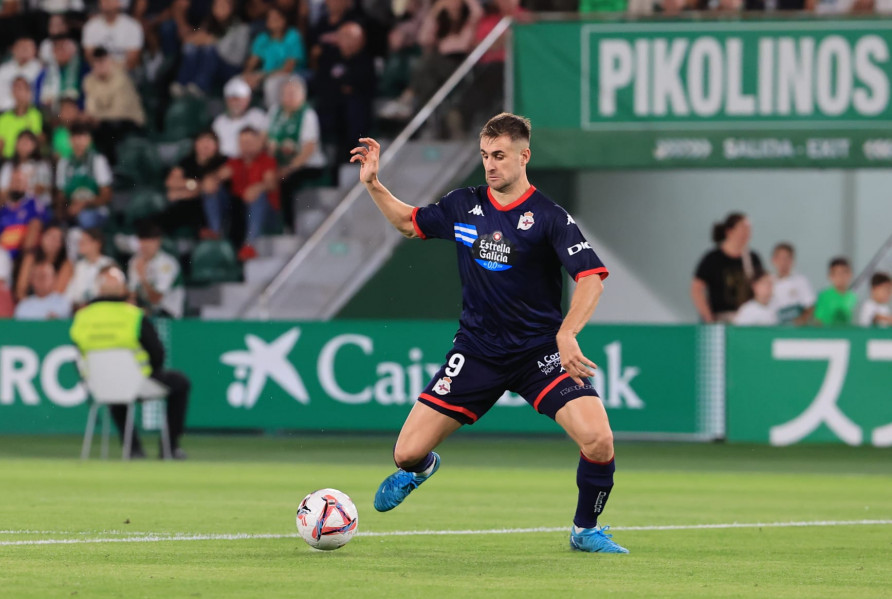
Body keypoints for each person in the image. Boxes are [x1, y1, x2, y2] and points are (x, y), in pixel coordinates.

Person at [349, 113, 627, 554]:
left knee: (599, 439)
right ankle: (422, 471)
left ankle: (585, 529)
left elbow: (591, 277)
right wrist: (373, 184)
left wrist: (567, 333)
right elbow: (409, 223)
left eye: (499, 156)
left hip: (539, 352)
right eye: (484, 156)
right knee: (405, 454)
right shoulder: (464, 204)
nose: (490, 165)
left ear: (524, 155)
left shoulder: (549, 217)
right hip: (477, 352)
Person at [70, 266, 190, 459]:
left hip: (101, 386)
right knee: (180, 382)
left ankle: (133, 449)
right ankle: (169, 447)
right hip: (138, 382)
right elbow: (157, 353)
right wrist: (151, 372)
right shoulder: (133, 315)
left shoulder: (82, 318)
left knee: (114, 387)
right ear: (123, 290)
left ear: (98, 290)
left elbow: (77, 355)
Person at [267, 75, 326, 231]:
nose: (289, 97)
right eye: (286, 93)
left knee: (287, 180)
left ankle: (289, 226)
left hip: (307, 164)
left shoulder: (308, 115)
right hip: (280, 163)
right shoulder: (275, 112)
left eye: (293, 93)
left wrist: (290, 167)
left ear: (303, 95)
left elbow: (308, 148)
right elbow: (266, 138)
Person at [314, 21, 375, 168]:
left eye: (348, 36)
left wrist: (342, 86)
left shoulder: (365, 61)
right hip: (330, 107)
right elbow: (321, 82)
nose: (342, 40)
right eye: (342, 36)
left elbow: (361, 86)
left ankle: (348, 155)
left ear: (359, 40)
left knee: (354, 107)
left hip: (353, 112)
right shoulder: (330, 57)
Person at [691, 213, 763, 323]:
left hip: (748, 319)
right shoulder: (712, 258)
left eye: (748, 229)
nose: (746, 233)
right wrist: (708, 317)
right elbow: (696, 289)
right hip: (720, 318)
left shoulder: (753, 258)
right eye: (742, 229)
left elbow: (762, 285)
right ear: (729, 232)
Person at [220, 126, 278, 260]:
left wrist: (257, 187)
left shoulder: (267, 161)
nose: (246, 146)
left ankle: (250, 245)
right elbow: (217, 176)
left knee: (258, 197)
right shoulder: (234, 162)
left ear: (259, 143)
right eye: (243, 142)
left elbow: (271, 183)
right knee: (216, 191)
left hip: (266, 214)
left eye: (250, 142)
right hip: (240, 212)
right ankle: (215, 235)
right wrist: (213, 179)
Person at [172, 0, 249, 97]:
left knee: (209, 49)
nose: (219, 8)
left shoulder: (240, 27)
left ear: (232, 8)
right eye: (217, 5)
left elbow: (233, 57)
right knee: (191, 48)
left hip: (230, 67)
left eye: (223, 5)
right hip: (210, 63)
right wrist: (194, 39)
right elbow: (191, 38)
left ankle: (200, 86)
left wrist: (212, 41)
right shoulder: (208, 23)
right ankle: (182, 83)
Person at [83, 47, 145, 164]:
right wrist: (92, 116)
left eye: (103, 61)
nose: (100, 66)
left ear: (109, 61)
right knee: (88, 128)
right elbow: (90, 108)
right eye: (97, 62)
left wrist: (97, 117)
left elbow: (119, 112)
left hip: (129, 121)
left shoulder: (121, 78)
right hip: (104, 122)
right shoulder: (89, 80)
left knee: (109, 129)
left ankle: (115, 170)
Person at [164, 130, 228, 237]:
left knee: (208, 196)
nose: (205, 145)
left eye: (210, 141)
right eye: (202, 141)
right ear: (195, 144)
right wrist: (192, 184)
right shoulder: (187, 161)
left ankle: (215, 234)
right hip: (193, 205)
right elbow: (171, 182)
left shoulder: (223, 161)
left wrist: (183, 193)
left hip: (220, 205)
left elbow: (210, 186)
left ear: (217, 146)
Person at [243, 6, 305, 107]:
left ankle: (272, 117)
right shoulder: (263, 38)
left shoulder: (292, 35)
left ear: (284, 20)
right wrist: (247, 76)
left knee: (271, 84)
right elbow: (251, 63)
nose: (273, 21)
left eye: (276, 18)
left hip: (290, 76)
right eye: (270, 18)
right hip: (265, 76)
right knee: (237, 82)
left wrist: (262, 76)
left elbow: (288, 68)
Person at [55, 123, 113, 229]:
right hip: (72, 208)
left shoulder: (98, 160)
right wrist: (63, 211)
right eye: (76, 137)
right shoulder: (64, 163)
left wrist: (84, 204)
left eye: (83, 137)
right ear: (70, 140)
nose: (79, 141)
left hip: (96, 209)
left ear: (89, 140)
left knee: (85, 217)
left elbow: (106, 195)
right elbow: (61, 194)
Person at [127, 221, 185, 318]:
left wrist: (143, 278)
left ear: (158, 242)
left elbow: (156, 298)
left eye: (149, 243)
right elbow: (132, 294)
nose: (145, 247)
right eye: (142, 242)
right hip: (147, 310)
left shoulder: (167, 264)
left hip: (169, 313)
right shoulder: (135, 261)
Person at [0, 169, 48, 259]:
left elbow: (40, 226)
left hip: (24, 255)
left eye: (19, 181)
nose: (16, 185)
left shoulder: (33, 204)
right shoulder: (3, 209)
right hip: (3, 255)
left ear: (26, 185)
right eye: (14, 181)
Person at [14, 222, 73, 302]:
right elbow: (20, 289)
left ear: (61, 244)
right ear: (42, 238)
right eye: (50, 236)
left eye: (56, 238)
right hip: (29, 303)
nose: (52, 241)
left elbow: (58, 293)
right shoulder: (31, 258)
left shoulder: (66, 264)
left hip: (52, 307)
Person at [212, 77, 268, 158]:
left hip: (249, 161)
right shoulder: (219, 121)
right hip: (222, 161)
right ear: (226, 101)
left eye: (239, 99)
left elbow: (264, 141)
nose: (235, 103)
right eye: (232, 99)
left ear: (247, 99)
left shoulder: (257, 116)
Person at [82, 0, 144, 71]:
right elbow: (89, 56)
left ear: (119, 3)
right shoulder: (90, 26)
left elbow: (132, 60)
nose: (107, 2)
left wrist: (112, 69)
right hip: (99, 72)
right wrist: (103, 69)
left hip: (124, 72)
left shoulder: (133, 26)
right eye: (104, 1)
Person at [0, 130, 52, 208]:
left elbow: (41, 189)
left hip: (37, 208)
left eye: (28, 142)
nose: (24, 145)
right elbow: (2, 192)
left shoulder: (42, 165)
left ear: (35, 146)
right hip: (13, 208)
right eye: (22, 142)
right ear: (16, 144)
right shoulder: (8, 166)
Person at [0, 78, 44, 160]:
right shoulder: (2, 118)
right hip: (8, 161)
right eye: (15, 88)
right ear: (12, 92)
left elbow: (37, 141)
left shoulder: (35, 115)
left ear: (28, 92)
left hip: (29, 160)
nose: (18, 92)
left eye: (21, 88)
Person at [65, 227, 116, 309]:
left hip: (103, 309)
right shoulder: (79, 266)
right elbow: (70, 295)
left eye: (85, 241)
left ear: (97, 244)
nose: (80, 243)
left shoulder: (109, 264)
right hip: (81, 311)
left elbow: (114, 292)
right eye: (80, 241)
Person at [0, 37, 42, 114]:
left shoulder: (39, 69)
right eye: (21, 47)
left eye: (27, 48)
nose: (24, 50)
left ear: (34, 50)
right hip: (2, 112)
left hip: (28, 112)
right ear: (13, 49)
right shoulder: (3, 69)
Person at [769, 242, 815, 326]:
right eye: (780, 258)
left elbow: (810, 306)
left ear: (792, 261)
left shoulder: (801, 281)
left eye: (787, 258)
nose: (783, 262)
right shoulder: (767, 281)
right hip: (773, 327)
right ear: (773, 260)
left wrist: (801, 321)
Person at [813, 257, 857, 326]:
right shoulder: (824, 296)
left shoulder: (855, 297)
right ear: (830, 276)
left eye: (844, 272)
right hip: (828, 335)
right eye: (837, 274)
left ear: (850, 274)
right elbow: (818, 321)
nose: (841, 277)